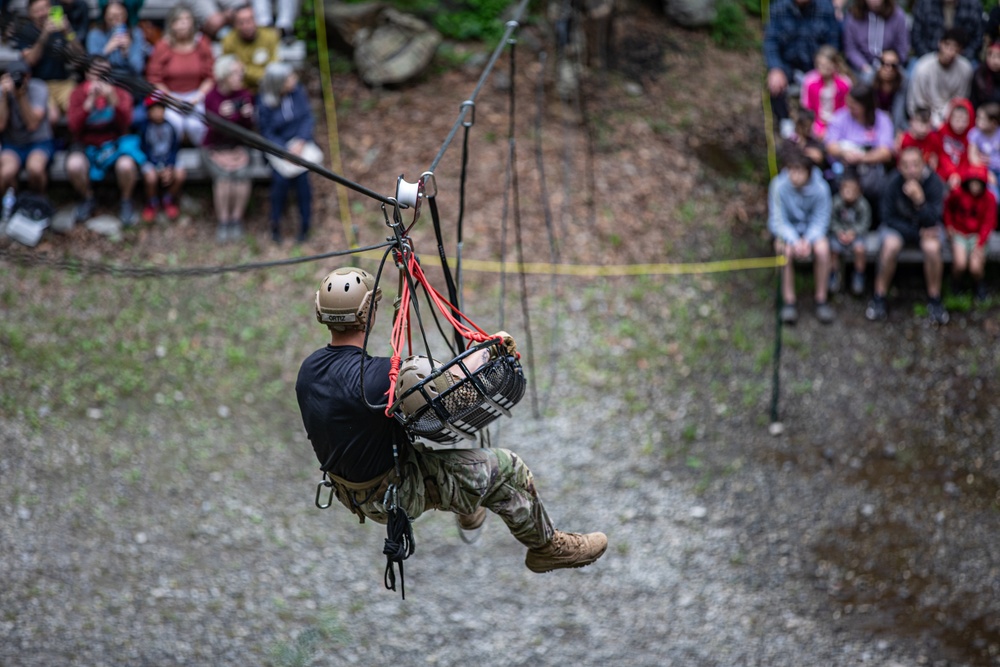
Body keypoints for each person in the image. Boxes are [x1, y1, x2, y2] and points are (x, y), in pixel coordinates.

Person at [296, 266, 608, 574]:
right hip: (398, 490)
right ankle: (547, 547)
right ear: (368, 314)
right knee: (508, 468)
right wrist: (491, 349)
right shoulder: (375, 378)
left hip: (352, 492)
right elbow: (445, 387)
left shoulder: (308, 372)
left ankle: (469, 504)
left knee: (461, 463)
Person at [866, 146, 948, 324]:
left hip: (927, 228)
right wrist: (917, 233)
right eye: (906, 166)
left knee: (933, 248)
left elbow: (935, 218)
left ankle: (935, 299)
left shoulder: (934, 183)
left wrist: (920, 201)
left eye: (915, 165)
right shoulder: (892, 182)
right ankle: (879, 297)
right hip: (901, 229)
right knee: (890, 246)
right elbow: (887, 217)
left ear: (923, 165)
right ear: (899, 167)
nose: (911, 170)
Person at [66, 56, 144, 225]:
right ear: (87, 73)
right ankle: (87, 198)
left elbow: (126, 124)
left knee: (126, 165)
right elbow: (73, 127)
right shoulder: (77, 93)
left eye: (105, 73)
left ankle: (126, 201)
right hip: (86, 145)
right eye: (96, 73)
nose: (100, 78)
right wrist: (89, 103)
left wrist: (113, 101)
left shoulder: (120, 92)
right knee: (74, 165)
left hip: (115, 143)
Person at [767, 147, 835, 324]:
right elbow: (777, 220)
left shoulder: (821, 188)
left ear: (809, 172)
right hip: (789, 234)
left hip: (812, 233)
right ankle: (789, 301)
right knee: (784, 251)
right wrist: (795, 240)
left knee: (823, 249)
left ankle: (821, 299)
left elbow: (821, 219)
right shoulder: (778, 186)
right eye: (791, 170)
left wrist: (808, 239)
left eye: (799, 171)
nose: (794, 176)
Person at [257, 61, 314, 243]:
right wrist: (284, 150)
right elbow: (266, 132)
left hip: (300, 146)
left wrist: (301, 141)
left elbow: (307, 117)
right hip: (279, 150)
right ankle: (275, 224)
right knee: (280, 182)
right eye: (289, 78)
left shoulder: (298, 93)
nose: (294, 80)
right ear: (279, 83)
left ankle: (305, 224)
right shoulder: (265, 102)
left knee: (303, 181)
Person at [762, 0, 840, 127]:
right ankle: (785, 121)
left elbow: (833, 42)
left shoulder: (826, 8)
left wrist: (826, 66)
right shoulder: (778, 8)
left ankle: (820, 124)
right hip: (788, 65)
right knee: (774, 83)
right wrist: (775, 68)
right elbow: (771, 41)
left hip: (817, 66)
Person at [202, 55, 254, 242]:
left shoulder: (245, 95)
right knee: (224, 180)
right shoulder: (211, 97)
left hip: (238, 147)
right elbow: (211, 131)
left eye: (241, 73)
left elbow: (246, 130)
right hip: (214, 147)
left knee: (241, 179)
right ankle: (223, 221)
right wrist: (222, 116)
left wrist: (247, 116)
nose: (240, 77)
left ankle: (236, 219)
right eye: (235, 74)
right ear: (224, 76)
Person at [146, 4, 214, 146]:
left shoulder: (202, 43)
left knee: (196, 125)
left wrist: (197, 98)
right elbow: (154, 78)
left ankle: (203, 154)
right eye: (179, 20)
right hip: (170, 96)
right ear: (171, 24)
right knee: (174, 124)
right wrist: (172, 99)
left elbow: (210, 76)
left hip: (197, 95)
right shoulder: (162, 46)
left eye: (186, 20)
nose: (183, 24)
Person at [14, 0, 84, 125]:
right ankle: (50, 143)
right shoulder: (25, 32)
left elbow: (80, 56)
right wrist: (44, 34)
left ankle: (76, 142)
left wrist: (68, 31)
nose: (43, 13)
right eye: (38, 11)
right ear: (30, 14)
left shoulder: (60, 28)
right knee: (52, 116)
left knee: (79, 111)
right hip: (40, 84)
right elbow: (30, 61)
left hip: (64, 82)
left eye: (45, 8)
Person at [824, 83, 895, 208]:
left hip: (870, 167)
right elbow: (830, 145)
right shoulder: (840, 117)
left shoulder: (882, 119)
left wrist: (863, 158)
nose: (850, 109)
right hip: (844, 164)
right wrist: (844, 152)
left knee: (876, 183)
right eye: (849, 104)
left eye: (855, 106)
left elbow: (885, 152)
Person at [86, 0, 150, 126]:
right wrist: (107, 49)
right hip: (105, 81)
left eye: (119, 16)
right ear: (104, 16)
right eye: (112, 16)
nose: (115, 20)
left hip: (130, 82)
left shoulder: (136, 33)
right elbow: (92, 67)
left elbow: (138, 68)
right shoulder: (95, 34)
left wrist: (127, 52)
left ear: (126, 16)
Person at [0, 60, 54, 202]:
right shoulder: (2, 91)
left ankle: (38, 202)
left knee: (35, 169)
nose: (21, 79)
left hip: (39, 142)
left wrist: (20, 96)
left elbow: (32, 124)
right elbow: (1, 125)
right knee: (6, 173)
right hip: (13, 144)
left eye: (23, 75)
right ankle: (14, 204)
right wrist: (4, 98)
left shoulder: (39, 87)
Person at [943, 164, 996, 300]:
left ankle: (979, 285)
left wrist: (980, 243)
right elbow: (948, 208)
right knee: (960, 263)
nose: (975, 187)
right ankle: (956, 284)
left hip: (977, 235)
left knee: (975, 267)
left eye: (978, 183)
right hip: (959, 233)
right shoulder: (958, 194)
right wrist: (948, 225)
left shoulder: (989, 198)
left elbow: (988, 222)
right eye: (972, 183)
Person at [907, 29, 974, 129]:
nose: (950, 51)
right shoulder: (923, 68)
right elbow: (917, 103)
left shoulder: (965, 69)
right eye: (947, 45)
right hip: (925, 118)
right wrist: (933, 121)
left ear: (960, 50)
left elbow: (961, 101)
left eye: (955, 48)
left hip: (952, 119)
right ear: (940, 44)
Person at [139, 96, 185, 222]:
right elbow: (144, 150)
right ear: (148, 112)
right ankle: (152, 202)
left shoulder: (171, 127)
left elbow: (174, 148)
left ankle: (168, 199)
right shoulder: (144, 128)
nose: (158, 113)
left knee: (180, 174)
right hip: (151, 160)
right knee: (151, 177)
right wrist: (158, 166)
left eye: (160, 109)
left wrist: (169, 166)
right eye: (154, 110)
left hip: (168, 160)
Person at [841, 0, 909, 84]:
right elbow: (850, 49)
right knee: (865, 79)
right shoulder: (853, 16)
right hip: (862, 67)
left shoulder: (897, 15)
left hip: (890, 65)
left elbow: (902, 47)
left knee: (905, 80)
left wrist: (890, 64)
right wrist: (864, 66)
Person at [828, 169, 873, 296]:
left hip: (857, 235)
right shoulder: (836, 202)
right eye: (846, 190)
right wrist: (839, 232)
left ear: (859, 191)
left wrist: (854, 232)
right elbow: (831, 220)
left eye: (852, 190)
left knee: (860, 249)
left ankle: (859, 275)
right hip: (838, 234)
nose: (848, 194)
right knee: (833, 249)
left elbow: (865, 222)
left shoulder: (863, 204)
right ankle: (833, 274)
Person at [221, 4, 279, 92]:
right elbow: (228, 75)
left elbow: (273, 72)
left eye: (249, 20)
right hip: (239, 91)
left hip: (266, 88)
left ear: (256, 20)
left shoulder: (269, 37)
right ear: (235, 25)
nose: (246, 26)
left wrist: (245, 70)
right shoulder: (228, 41)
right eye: (241, 22)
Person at [800, 45, 851, 139]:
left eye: (827, 65)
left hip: (839, 123)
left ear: (835, 65)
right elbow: (807, 107)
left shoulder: (844, 83)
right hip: (816, 123)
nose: (823, 69)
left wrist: (835, 122)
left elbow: (847, 108)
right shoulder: (809, 81)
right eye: (821, 65)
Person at [909, 0, 984, 63]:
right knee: (912, 74)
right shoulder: (924, 4)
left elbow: (978, 38)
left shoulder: (973, 5)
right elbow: (916, 36)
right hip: (928, 56)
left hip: (963, 58)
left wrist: (963, 57)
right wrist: (932, 59)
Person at [932, 97, 973, 190]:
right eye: (957, 120)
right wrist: (952, 173)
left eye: (964, 121)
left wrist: (958, 176)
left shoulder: (970, 136)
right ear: (949, 118)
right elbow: (941, 155)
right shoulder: (941, 131)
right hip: (943, 173)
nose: (960, 124)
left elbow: (967, 160)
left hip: (962, 175)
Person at [967, 101, 1000, 198]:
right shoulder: (975, 134)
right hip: (984, 171)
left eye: (982, 119)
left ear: (993, 123)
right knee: (994, 196)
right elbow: (972, 158)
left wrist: (994, 162)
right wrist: (987, 173)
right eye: (977, 117)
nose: (977, 121)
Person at [872, 48, 908, 131]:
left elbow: (901, 113)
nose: (888, 69)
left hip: (897, 124)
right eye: (884, 64)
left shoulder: (904, 82)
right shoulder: (869, 80)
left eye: (893, 65)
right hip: (873, 124)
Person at [899, 107, 943, 173]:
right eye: (920, 124)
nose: (923, 129)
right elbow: (901, 163)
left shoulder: (934, 138)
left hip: (929, 172)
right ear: (912, 122)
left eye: (927, 125)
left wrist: (935, 161)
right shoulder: (905, 140)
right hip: (910, 172)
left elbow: (938, 157)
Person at [971, 41, 1000, 110]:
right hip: (983, 113)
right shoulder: (979, 74)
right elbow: (974, 101)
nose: (995, 61)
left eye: (998, 56)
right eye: (991, 55)